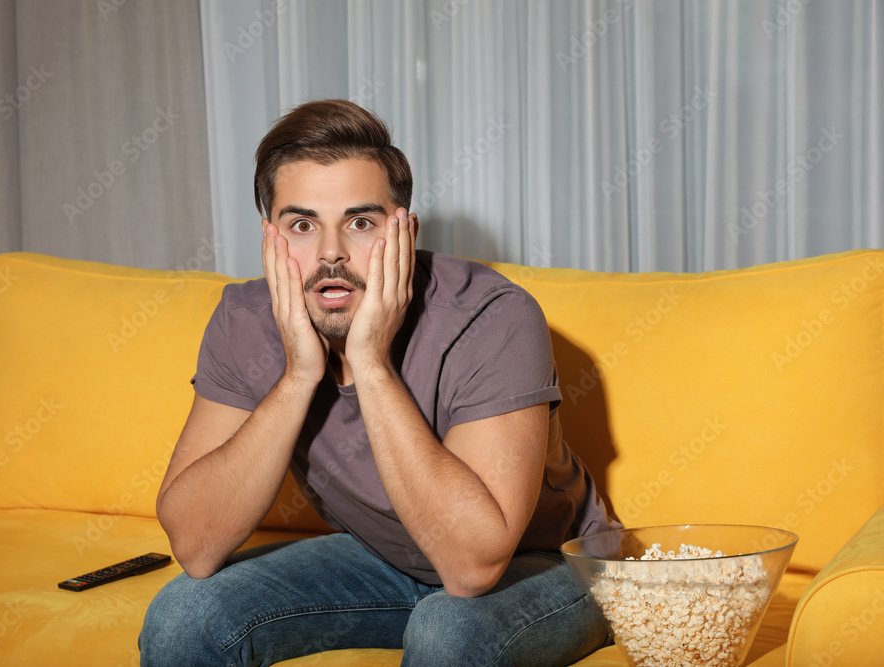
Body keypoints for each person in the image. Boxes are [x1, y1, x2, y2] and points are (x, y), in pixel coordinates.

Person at [139, 99, 619, 667]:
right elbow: (195, 547)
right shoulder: (244, 320)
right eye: (302, 225)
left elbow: (472, 566)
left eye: (361, 223)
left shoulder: (494, 316)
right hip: (387, 557)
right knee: (184, 615)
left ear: (404, 230)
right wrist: (298, 375)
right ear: (271, 239)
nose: (331, 253)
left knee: (449, 629)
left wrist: (369, 362)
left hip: (553, 564)